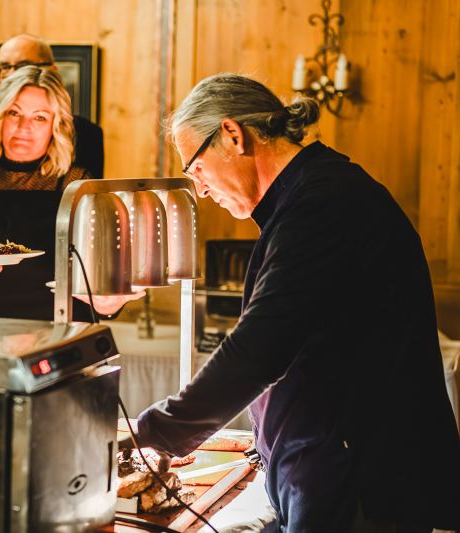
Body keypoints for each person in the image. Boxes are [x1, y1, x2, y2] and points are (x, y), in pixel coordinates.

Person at [121, 74, 460, 531]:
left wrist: (153, 432)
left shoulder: (323, 203)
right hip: (336, 466)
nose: (200, 189)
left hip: (362, 478)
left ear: (232, 135)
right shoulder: (311, 195)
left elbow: (260, 349)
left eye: (196, 169)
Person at [0, 66, 134, 321]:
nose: (24, 127)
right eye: (14, 113)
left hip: (56, 327)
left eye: (40, 118)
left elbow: (102, 282)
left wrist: (108, 304)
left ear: (56, 126)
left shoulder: (77, 184)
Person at [0, 33, 104, 187]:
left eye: (23, 66)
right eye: (5, 67)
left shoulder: (85, 137)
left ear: (51, 70)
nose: (13, 75)